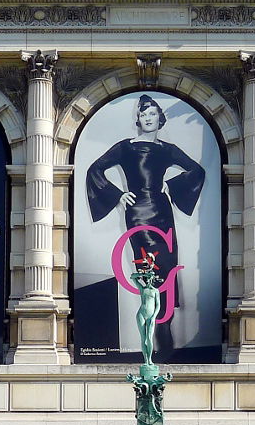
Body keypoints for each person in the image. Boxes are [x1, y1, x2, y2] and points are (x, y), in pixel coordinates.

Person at [85, 94, 206, 353]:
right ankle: (154, 328)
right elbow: (94, 169)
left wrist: (172, 185)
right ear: (137, 119)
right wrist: (118, 195)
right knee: (149, 270)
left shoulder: (167, 149)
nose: (148, 118)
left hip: (163, 211)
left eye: (152, 114)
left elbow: (197, 171)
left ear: (159, 118)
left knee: (167, 266)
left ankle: (165, 329)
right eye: (143, 114)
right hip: (138, 212)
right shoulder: (126, 147)